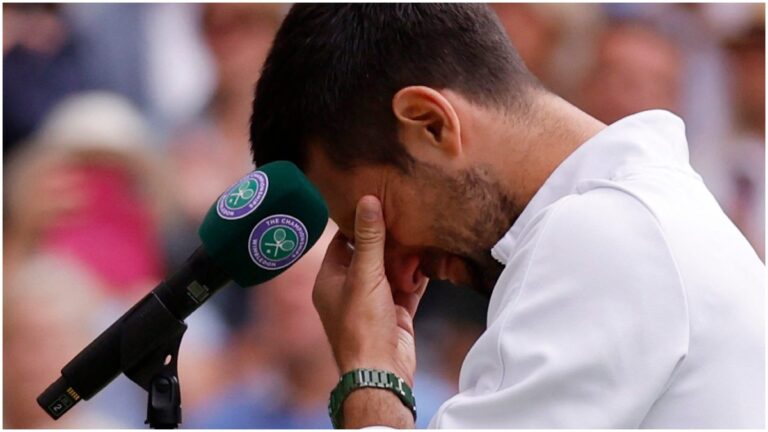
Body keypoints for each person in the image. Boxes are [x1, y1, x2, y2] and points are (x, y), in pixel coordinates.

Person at [248, 4, 764, 428]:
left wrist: (369, 374)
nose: (399, 269)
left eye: (379, 221)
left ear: (431, 124)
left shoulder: (607, 233)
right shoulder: (639, 212)